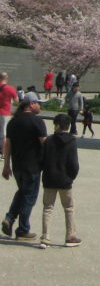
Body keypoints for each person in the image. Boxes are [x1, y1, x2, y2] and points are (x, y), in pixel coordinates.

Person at [2, 95, 47, 240]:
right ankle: (22, 230)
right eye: (38, 103)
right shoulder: (37, 121)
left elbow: (7, 144)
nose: (40, 106)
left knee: (22, 192)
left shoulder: (13, 122)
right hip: (32, 166)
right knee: (29, 197)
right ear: (31, 104)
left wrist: (6, 165)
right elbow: (44, 143)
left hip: (17, 167)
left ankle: (9, 218)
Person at [40, 113, 81, 247]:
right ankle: (70, 237)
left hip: (49, 179)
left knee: (48, 208)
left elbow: (41, 160)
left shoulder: (49, 140)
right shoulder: (72, 141)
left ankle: (45, 238)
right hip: (65, 180)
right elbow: (74, 164)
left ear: (57, 125)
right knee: (68, 208)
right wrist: (71, 177)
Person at [0, 72, 19, 146]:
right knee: (4, 132)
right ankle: (3, 152)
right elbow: (17, 101)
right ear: (6, 78)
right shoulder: (10, 88)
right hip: (5, 112)